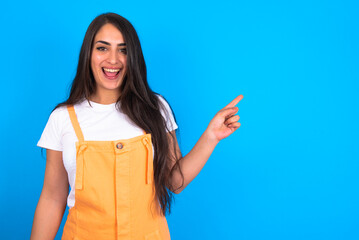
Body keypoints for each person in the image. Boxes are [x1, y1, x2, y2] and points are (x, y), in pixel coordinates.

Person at [30, 12, 243, 240]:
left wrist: (211, 136)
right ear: (88, 54)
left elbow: (175, 181)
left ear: (133, 57)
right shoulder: (63, 118)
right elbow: (53, 198)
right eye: (103, 48)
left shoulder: (154, 108)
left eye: (123, 50)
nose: (113, 59)